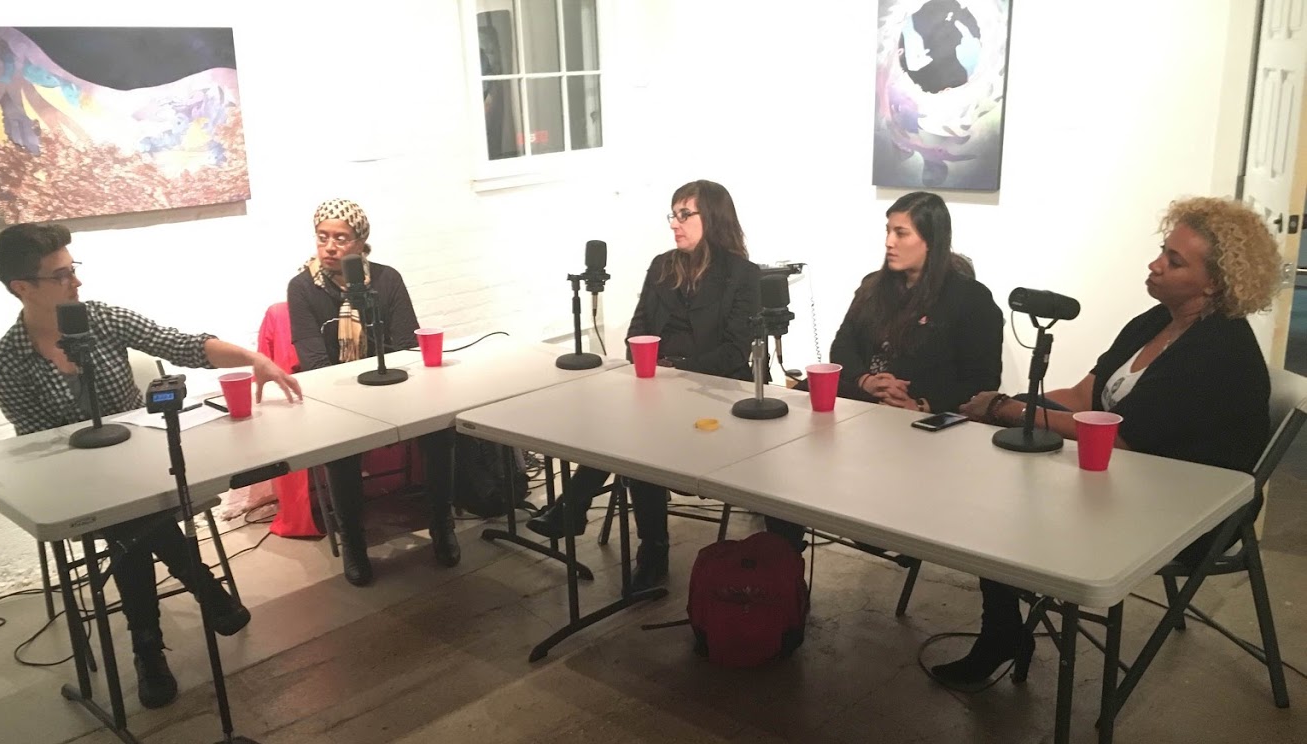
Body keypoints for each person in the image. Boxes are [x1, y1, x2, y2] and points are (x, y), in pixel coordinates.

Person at [940, 196, 1281, 687]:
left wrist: (1013, 411)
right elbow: (1085, 396)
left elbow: (1120, 437)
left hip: (1190, 508)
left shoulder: (1219, 351)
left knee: (1009, 511)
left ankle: (1002, 631)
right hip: (1129, 473)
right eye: (1163, 250)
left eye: (1174, 261)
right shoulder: (1155, 321)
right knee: (1010, 463)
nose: (1155, 265)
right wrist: (1013, 403)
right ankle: (1007, 623)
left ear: (1214, 283)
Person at [0, 223, 303, 710]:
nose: (77, 283)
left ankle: (148, 649)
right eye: (62, 275)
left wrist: (251, 357)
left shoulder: (103, 320)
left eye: (75, 270)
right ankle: (200, 595)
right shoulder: (7, 362)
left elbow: (181, 344)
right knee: (126, 523)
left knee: (131, 523)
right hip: (79, 486)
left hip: (147, 467)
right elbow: (38, 448)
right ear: (21, 288)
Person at [526, 179, 805, 588]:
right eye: (673, 214)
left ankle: (585, 515)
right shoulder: (662, 265)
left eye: (685, 214)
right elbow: (638, 326)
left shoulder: (741, 274)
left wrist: (680, 367)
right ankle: (639, 543)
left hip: (718, 392)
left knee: (640, 438)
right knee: (632, 431)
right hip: (659, 387)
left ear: (712, 217)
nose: (675, 223)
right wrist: (651, 361)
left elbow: (733, 350)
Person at [287, 198, 460, 587]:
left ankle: (441, 523)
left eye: (341, 238)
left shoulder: (386, 280)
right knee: (341, 442)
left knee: (440, 426)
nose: (330, 247)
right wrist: (356, 399)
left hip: (394, 384)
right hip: (337, 395)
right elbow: (313, 360)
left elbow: (405, 345)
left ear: (361, 243)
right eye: (322, 238)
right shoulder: (301, 288)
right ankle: (353, 542)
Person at [820, 191, 1002, 415]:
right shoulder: (871, 286)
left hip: (926, 416)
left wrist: (921, 405)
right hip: (864, 402)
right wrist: (865, 380)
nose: (889, 242)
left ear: (930, 241)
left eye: (901, 233)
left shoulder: (970, 298)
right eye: (888, 231)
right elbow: (842, 345)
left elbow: (982, 381)